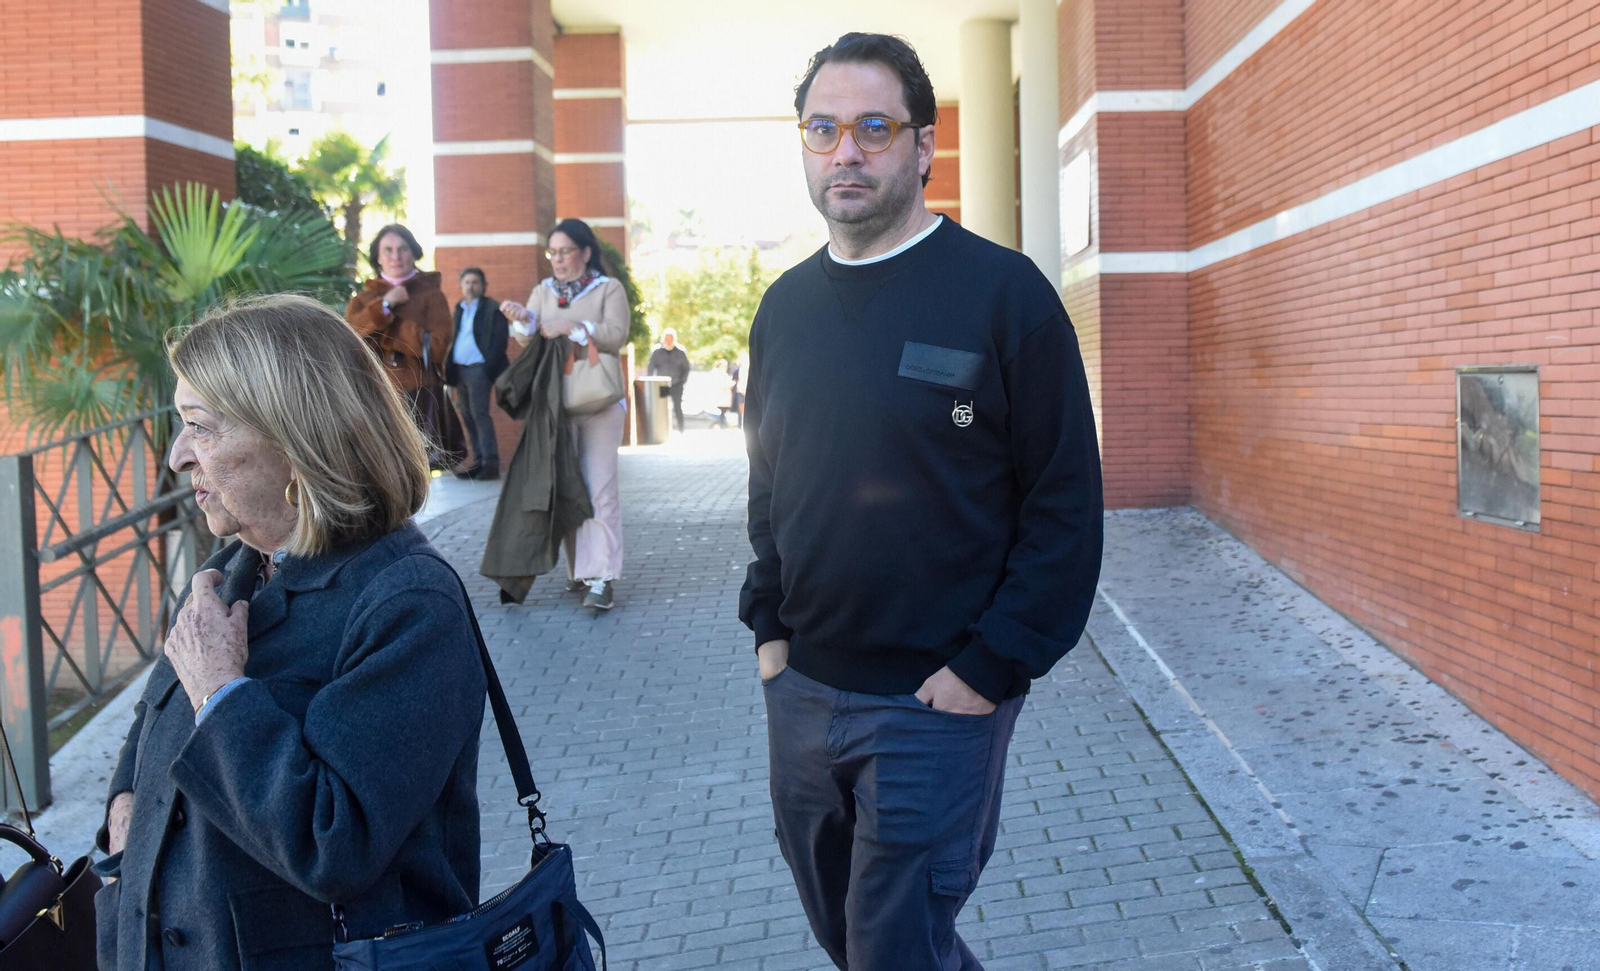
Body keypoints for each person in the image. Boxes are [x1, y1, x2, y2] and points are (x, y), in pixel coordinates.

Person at [740, 33, 1103, 971]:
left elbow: (1065, 505)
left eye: (874, 127)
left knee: (893, 946)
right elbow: (768, 483)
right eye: (823, 129)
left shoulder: (1005, 296)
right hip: (803, 691)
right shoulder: (783, 309)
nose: (846, 152)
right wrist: (770, 630)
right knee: (854, 938)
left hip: (935, 703)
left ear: (924, 144)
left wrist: (992, 664)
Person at [93, 295, 488, 971]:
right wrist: (124, 821)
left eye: (200, 427)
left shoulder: (408, 602)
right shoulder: (233, 570)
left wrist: (222, 692)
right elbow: (152, 731)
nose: (178, 455)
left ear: (296, 442)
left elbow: (333, 843)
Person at [499, 218, 629, 611]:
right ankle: (580, 570)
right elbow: (528, 338)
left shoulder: (608, 288)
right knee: (568, 487)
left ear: (585, 253)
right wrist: (523, 319)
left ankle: (602, 577)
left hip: (601, 402)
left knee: (600, 488)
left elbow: (616, 335)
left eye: (565, 251)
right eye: (552, 252)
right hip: (557, 404)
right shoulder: (544, 291)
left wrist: (575, 326)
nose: (557, 259)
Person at [345, 223, 464, 470]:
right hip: (374, 397)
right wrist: (384, 305)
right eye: (387, 250)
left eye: (402, 249)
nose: (395, 256)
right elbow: (348, 343)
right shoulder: (363, 300)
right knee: (380, 472)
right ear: (378, 257)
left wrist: (390, 332)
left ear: (414, 253)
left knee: (416, 471)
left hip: (419, 396)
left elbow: (437, 347)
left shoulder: (431, 296)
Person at [447, 266, 511, 480]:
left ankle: (490, 463)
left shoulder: (492, 309)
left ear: (483, 286)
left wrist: (487, 366)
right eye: (467, 282)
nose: (471, 286)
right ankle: (478, 460)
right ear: (461, 286)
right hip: (460, 370)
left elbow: (500, 339)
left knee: (480, 414)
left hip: (479, 370)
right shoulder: (458, 309)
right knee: (467, 415)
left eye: (475, 282)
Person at [646, 328, 691, 433]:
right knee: (661, 407)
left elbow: (686, 368)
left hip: (677, 383)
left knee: (677, 407)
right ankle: (661, 430)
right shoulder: (657, 352)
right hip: (662, 384)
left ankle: (681, 430)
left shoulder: (680, 352)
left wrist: (682, 381)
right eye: (667, 338)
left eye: (671, 338)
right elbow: (651, 367)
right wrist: (651, 380)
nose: (669, 340)